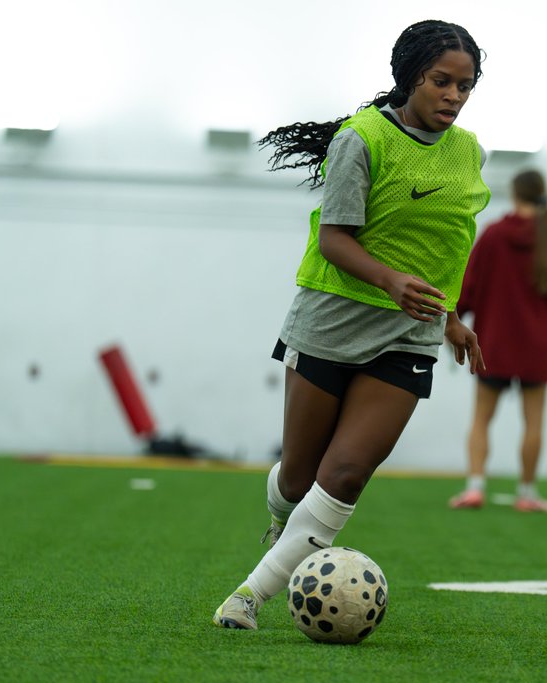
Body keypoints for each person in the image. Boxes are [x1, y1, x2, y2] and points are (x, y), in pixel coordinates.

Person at [213, 20, 490, 630]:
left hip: (408, 336)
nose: (453, 95)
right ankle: (284, 523)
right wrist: (390, 281)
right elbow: (334, 239)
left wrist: (450, 318)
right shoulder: (360, 139)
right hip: (331, 324)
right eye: (441, 81)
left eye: (465, 86)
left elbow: (449, 245)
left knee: (345, 474)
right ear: (410, 76)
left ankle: (248, 596)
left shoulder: (470, 151)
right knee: (298, 477)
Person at [448, 169, 547, 512]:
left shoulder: (493, 235)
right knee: (534, 422)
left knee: (481, 418)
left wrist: (453, 322)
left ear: (514, 195)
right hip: (538, 349)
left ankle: (475, 488)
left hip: (493, 345)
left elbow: (467, 286)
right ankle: (527, 493)